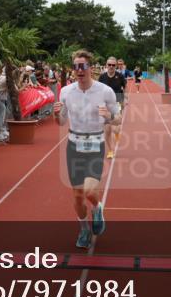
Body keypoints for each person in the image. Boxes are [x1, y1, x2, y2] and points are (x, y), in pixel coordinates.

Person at [53, 49, 119, 249]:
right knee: (77, 195)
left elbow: (118, 118)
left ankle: (97, 208)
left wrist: (108, 116)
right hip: (74, 145)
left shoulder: (105, 91)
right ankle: (83, 230)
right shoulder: (66, 91)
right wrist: (56, 115)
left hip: (96, 144)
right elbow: (61, 122)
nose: (79, 70)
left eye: (83, 66)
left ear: (91, 68)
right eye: (76, 67)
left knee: (90, 191)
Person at [97, 56, 127, 159]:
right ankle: (110, 150)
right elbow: (98, 90)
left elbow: (124, 88)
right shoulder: (102, 77)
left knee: (116, 128)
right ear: (106, 65)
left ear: (116, 66)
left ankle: (117, 133)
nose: (111, 66)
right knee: (107, 130)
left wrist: (125, 99)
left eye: (113, 65)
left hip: (117, 101)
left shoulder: (120, 76)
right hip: (106, 104)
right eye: (109, 64)